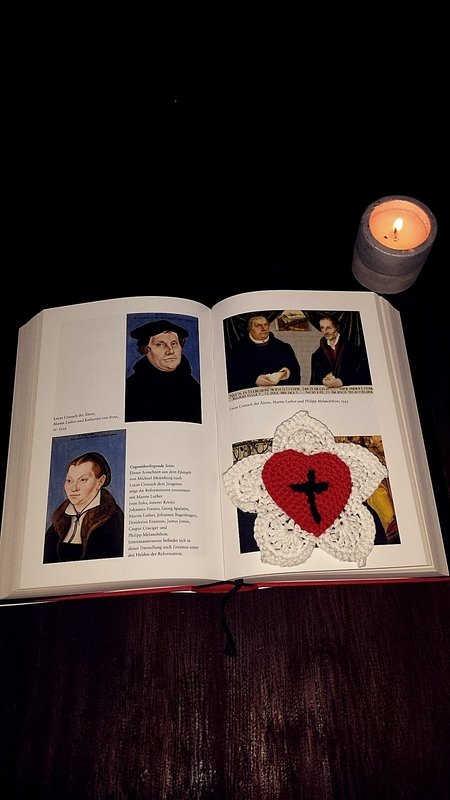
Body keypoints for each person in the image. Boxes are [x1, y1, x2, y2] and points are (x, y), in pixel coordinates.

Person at [43, 452, 124, 563]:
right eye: (69, 481)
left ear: (100, 481)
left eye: (83, 480)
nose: (74, 488)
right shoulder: (60, 518)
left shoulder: (113, 518)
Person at [125, 319, 202, 423]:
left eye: (174, 343)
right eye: (160, 344)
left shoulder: (192, 385)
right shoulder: (131, 388)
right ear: (146, 350)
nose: (170, 351)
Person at [226, 314, 301, 392]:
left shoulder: (284, 347)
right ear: (250, 329)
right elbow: (232, 375)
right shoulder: (237, 350)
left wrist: (286, 373)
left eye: (265, 325)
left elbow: (295, 370)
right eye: (258, 326)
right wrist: (254, 379)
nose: (263, 328)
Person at [310, 314, 372, 388]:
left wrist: (343, 381)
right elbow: (314, 378)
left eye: (329, 328)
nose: (325, 332)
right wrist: (322, 381)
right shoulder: (317, 355)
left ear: (337, 327)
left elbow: (363, 375)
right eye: (322, 328)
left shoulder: (353, 349)